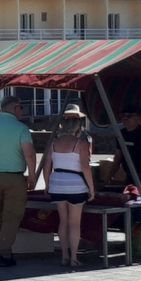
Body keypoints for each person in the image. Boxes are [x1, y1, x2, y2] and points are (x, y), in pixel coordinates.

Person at [0, 96, 37, 269]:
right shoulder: (21, 128)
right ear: (15, 108)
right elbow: (30, 154)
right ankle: (3, 252)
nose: (22, 112)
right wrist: (32, 176)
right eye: (21, 109)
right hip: (14, 177)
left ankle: (2, 250)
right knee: (12, 216)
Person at [38, 104, 93, 268]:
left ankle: (64, 256)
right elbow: (85, 167)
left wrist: (47, 185)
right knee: (74, 223)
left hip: (57, 184)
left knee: (63, 221)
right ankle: (74, 257)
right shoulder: (81, 143)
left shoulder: (54, 143)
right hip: (76, 185)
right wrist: (91, 189)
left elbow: (47, 166)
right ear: (79, 126)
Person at [117, 109, 141, 187]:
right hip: (129, 174)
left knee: (140, 197)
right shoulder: (121, 134)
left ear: (138, 119)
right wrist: (108, 178)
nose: (125, 118)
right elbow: (117, 157)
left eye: (129, 116)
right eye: (123, 116)